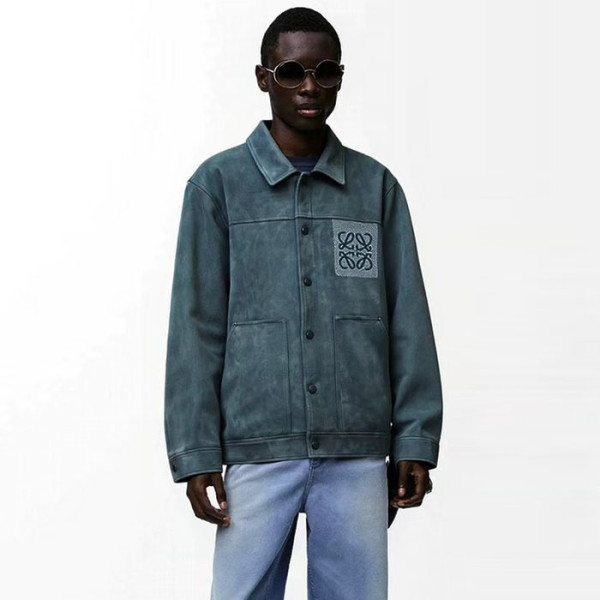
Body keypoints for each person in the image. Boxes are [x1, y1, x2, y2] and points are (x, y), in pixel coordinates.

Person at [164, 7, 443, 599]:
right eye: (292, 72)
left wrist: (415, 439)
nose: (309, 87)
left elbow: (408, 320)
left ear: (340, 77)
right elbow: (195, 326)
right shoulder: (218, 187)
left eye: (325, 71)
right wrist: (195, 452)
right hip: (255, 447)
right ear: (263, 78)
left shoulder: (375, 189)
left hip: (358, 451)